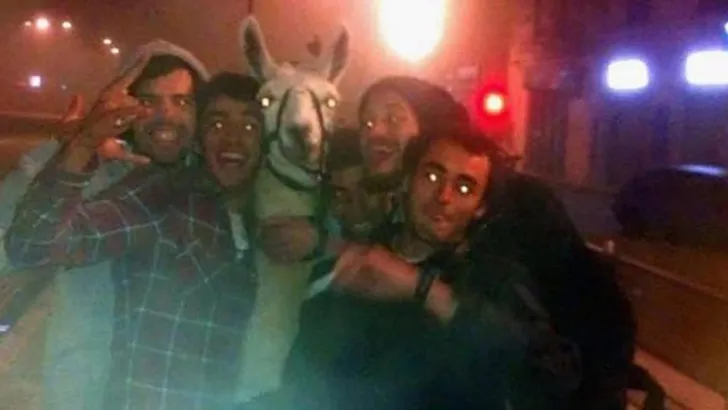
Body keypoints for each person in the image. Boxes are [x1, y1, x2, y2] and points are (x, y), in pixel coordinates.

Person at [243, 124, 581, 410]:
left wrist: (430, 293)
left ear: (480, 207)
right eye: (432, 175)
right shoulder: (354, 262)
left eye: (464, 187)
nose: (444, 196)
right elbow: (303, 381)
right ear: (407, 180)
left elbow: (552, 375)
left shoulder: (494, 279)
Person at [5, 72, 263, 409]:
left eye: (250, 126)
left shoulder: (273, 222)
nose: (233, 138)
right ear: (199, 138)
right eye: (216, 124)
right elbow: (34, 244)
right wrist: (82, 146)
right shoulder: (163, 195)